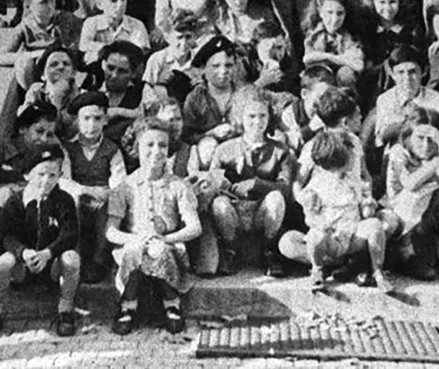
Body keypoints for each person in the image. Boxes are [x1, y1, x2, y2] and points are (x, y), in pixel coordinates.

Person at [107, 117, 201, 336]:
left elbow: (195, 227)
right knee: (134, 251)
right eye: (149, 145)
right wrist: (134, 239)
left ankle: (172, 304)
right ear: (135, 147)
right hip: (134, 243)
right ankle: (128, 305)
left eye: (162, 145)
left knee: (161, 251)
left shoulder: (178, 185)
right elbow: (110, 230)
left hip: (168, 244)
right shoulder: (125, 186)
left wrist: (166, 239)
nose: (156, 151)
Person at [292, 130, 393, 292]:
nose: (355, 157)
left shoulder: (354, 181)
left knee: (374, 225)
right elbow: (311, 218)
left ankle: (377, 272)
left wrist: (368, 206)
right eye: (351, 155)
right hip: (330, 239)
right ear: (338, 160)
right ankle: (318, 269)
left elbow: (365, 212)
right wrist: (321, 224)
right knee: (312, 237)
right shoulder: (317, 186)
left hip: (352, 237)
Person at [208, 86, 294, 276]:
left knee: (276, 199)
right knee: (219, 204)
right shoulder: (225, 148)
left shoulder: (279, 150)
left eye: (263, 116)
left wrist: (257, 184)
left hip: (262, 211)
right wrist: (222, 183)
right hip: (235, 210)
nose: (257, 122)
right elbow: (213, 181)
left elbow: (286, 189)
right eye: (251, 116)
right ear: (241, 117)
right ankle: (230, 249)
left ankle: (269, 250)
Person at [0, 144, 80, 336]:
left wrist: (48, 253)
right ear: (27, 174)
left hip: (51, 263)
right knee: (4, 261)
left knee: (72, 258)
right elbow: (6, 235)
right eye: (41, 174)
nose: (46, 181)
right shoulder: (16, 201)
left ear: (60, 176)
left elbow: (70, 234)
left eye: (52, 175)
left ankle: (65, 308)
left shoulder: (64, 200)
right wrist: (23, 252)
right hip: (22, 264)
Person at [385, 105, 439, 284]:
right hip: (401, 215)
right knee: (412, 194)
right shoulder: (398, 152)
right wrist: (433, 165)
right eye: (420, 138)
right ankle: (406, 256)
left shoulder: (438, 151)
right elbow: (409, 184)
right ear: (408, 136)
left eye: (432, 140)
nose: (426, 146)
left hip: (427, 215)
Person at [63, 91, 126, 283]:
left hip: (102, 199)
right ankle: (75, 258)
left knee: (111, 207)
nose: (91, 125)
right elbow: (64, 179)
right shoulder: (68, 148)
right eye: (86, 118)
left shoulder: (111, 149)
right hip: (79, 196)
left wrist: (107, 194)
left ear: (105, 120)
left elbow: (119, 181)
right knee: (71, 202)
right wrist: (85, 190)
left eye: (97, 118)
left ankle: (99, 260)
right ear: (77, 121)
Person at [356, 0, 424, 114]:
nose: (387, 8)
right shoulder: (368, 30)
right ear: (373, 2)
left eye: (392, 2)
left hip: (404, 82)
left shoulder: (410, 30)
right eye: (382, 2)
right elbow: (367, 64)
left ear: (400, 2)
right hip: (373, 86)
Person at [0, 0, 81, 90]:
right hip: (37, 79)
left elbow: (79, 50)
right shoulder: (26, 26)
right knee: (23, 63)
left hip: (65, 74)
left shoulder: (67, 20)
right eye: (43, 3)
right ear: (28, 6)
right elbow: (2, 56)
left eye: (52, 0)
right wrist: (36, 54)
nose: (51, 6)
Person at [374, 46, 439, 152]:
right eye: (401, 72)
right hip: (397, 153)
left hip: (429, 151)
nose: (407, 78)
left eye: (412, 71)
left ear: (423, 72)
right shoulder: (385, 99)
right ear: (392, 74)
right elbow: (380, 139)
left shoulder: (435, 98)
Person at [182, 36, 239, 167]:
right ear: (204, 69)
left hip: (239, 152)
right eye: (215, 66)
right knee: (208, 146)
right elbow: (186, 137)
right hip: (208, 158)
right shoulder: (196, 98)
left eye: (229, 65)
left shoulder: (244, 92)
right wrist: (211, 134)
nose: (223, 71)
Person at [79, 0, 150, 66]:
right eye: (114, 0)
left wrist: (106, 50)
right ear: (100, 4)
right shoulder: (92, 23)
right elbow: (83, 45)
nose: (120, 5)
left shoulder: (137, 25)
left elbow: (138, 51)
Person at [302, 0, 364, 89]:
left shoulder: (350, 35)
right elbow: (307, 59)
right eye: (329, 12)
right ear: (320, 12)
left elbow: (358, 65)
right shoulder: (313, 33)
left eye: (340, 13)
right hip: (320, 78)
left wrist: (328, 57)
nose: (334, 19)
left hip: (343, 82)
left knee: (346, 73)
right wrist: (341, 59)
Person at [142, 9, 202, 108]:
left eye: (188, 37)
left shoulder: (200, 60)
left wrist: (202, 86)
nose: (184, 43)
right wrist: (158, 84)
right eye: (179, 38)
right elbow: (146, 97)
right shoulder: (157, 59)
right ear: (168, 37)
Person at [23, 47, 80, 142]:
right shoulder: (36, 90)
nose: (61, 67)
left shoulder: (77, 96)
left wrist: (57, 100)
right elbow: (25, 120)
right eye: (54, 64)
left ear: (73, 73)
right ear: (43, 75)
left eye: (66, 64)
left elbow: (66, 131)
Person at [280, 65, 335, 155]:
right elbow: (288, 145)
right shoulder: (290, 114)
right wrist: (310, 128)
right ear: (304, 94)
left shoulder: (332, 108)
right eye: (320, 98)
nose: (324, 104)